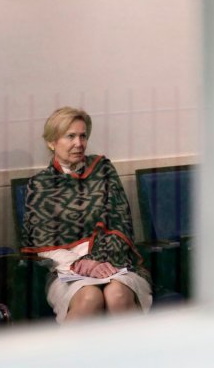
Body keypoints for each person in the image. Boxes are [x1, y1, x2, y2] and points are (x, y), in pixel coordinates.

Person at [22, 107, 152, 321]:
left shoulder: (103, 170)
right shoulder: (39, 185)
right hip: (66, 268)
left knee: (117, 294)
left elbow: (121, 224)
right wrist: (80, 263)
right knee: (89, 298)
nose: (79, 143)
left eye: (83, 136)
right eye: (70, 136)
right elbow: (41, 245)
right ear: (52, 142)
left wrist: (99, 261)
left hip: (115, 261)